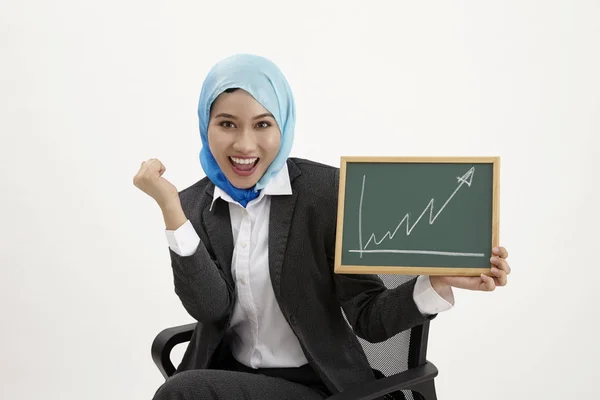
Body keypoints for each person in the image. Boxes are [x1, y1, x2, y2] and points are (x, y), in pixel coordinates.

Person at [133, 54, 511, 400]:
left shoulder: (326, 193)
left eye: (263, 124)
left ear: (283, 125)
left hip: (318, 386)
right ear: (206, 125)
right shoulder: (194, 204)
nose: (244, 144)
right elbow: (210, 308)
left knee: (181, 395)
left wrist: (438, 283)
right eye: (227, 124)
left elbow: (369, 317)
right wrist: (170, 208)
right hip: (230, 379)